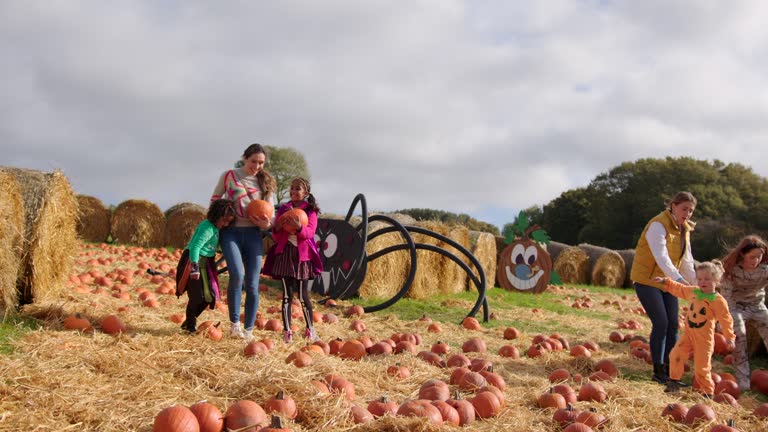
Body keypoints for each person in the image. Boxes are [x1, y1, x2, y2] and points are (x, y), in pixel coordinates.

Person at [630, 191, 697, 384]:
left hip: (667, 282)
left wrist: (694, 284)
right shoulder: (658, 225)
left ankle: (671, 370)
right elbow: (661, 256)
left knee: (674, 325)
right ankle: (658, 371)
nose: (687, 214)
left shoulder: (685, 229)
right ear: (674, 206)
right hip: (647, 280)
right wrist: (678, 280)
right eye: (684, 209)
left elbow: (686, 260)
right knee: (661, 322)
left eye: (691, 211)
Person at [211, 144, 276, 339]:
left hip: (254, 235)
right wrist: (221, 217)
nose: (257, 166)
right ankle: (235, 325)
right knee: (237, 275)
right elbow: (215, 200)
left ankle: (248, 330)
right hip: (231, 232)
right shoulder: (229, 176)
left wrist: (266, 224)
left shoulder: (266, 182)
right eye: (253, 161)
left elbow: (271, 216)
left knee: (253, 283)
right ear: (244, 158)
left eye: (261, 163)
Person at [653, 261, 736, 396]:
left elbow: (726, 319)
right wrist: (665, 282)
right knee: (676, 354)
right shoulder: (693, 291)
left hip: (705, 339)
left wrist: (729, 337)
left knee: (701, 368)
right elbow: (679, 289)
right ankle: (674, 382)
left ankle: (707, 392)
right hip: (688, 334)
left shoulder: (718, 301)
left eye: (707, 279)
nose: (703, 282)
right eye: (700, 279)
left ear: (716, 280)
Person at [262, 177, 323, 343]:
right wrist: (278, 227)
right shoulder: (283, 208)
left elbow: (310, 232)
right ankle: (287, 331)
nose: (294, 191)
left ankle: (310, 329)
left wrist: (299, 227)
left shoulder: (310, 210)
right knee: (287, 296)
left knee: (303, 295)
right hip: (285, 254)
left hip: (302, 256)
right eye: (292, 188)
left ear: (306, 193)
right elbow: (276, 235)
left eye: (298, 189)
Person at [176, 199, 236, 333]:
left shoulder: (216, 228)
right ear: (216, 215)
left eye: (228, 222)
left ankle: (189, 321)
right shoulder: (207, 227)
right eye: (224, 220)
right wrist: (194, 267)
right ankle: (190, 326)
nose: (225, 224)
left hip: (207, 263)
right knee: (197, 296)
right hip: (193, 261)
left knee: (210, 297)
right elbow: (195, 247)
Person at [720, 235, 768, 390]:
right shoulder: (731, 271)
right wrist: (727, 319)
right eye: (752, 257)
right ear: (742, 254)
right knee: (739, 333)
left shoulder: (764, 270)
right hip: (736, 306)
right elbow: (726, 298)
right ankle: (743, 380)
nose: (756, 260)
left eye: (759, 257)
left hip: (757, 305)